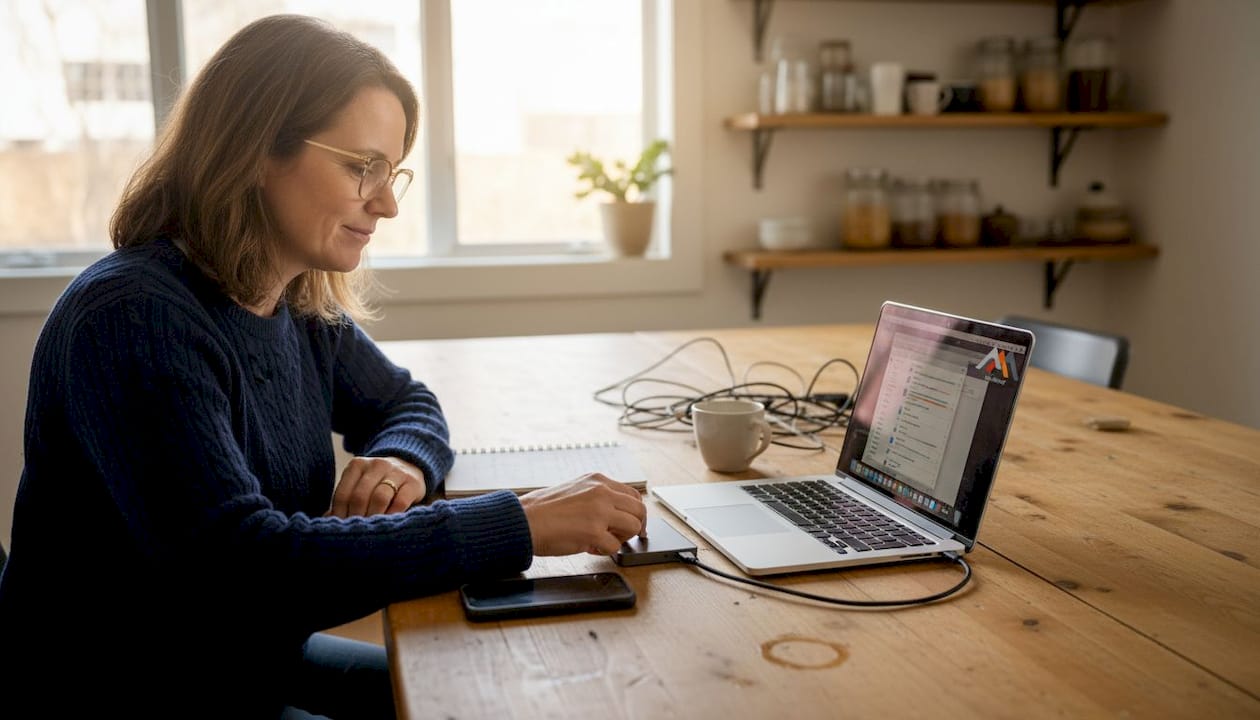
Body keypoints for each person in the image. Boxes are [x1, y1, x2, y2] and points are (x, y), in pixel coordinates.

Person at [0, 14, 646, 719]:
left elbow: (406, 403)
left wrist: (401, 461)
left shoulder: (291, 299)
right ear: (255, 151)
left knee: (507, 692)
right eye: (360, 167)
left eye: (390, 172)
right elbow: (244, 568)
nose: (387, 203)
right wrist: (516, 524)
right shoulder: (132, 319)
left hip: (245, 664)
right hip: (131, 693)